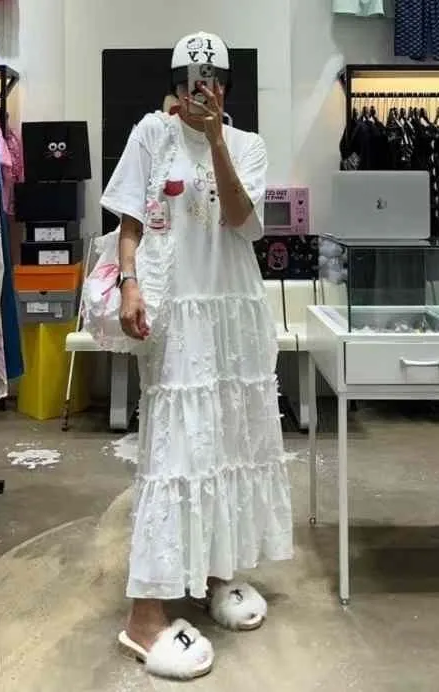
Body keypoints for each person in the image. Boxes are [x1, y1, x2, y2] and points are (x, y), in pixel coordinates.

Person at [101, 31, 293, 680]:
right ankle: (144, 617)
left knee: (228, 443)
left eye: (209, 81)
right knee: (174, 452)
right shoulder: (151, 135)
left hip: (232, 312)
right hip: (177, 312)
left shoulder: (247, 145)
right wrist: (129, 283)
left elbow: (241, 219)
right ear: (175, 84)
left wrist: (214, 141)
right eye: (188, 80)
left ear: (226, 87)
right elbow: (129, 222)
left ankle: (214, 573)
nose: (198, 91)